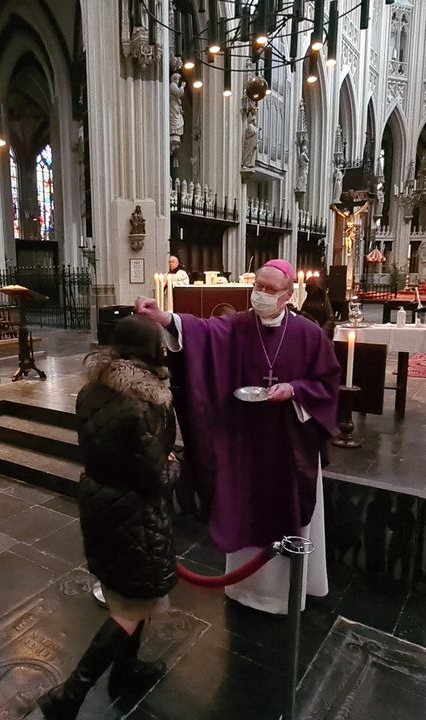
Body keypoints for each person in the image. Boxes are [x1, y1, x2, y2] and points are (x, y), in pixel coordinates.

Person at [134, 259, 341, 615]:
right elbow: (204, 331)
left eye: (270, 289)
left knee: (288, 509)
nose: (261, 294)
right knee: (247, 508)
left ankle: (285, 594)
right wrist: (164, 318)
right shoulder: (240, 325)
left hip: (290, 445)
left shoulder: (309, 333)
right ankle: (245, 589)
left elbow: (327, 383)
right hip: (248, 442)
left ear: (288, 295)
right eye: (258, 286)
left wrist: (294, 389)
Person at [38, 315, 178, 718]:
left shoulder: (92, 389)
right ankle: (70, 695)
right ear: (152, 350)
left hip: (100, 500)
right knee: (131, 607)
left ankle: (125, 672)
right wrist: (174, 466)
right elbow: (154, 476)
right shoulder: (145, 404)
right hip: (134, 511)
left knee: (128, 591)